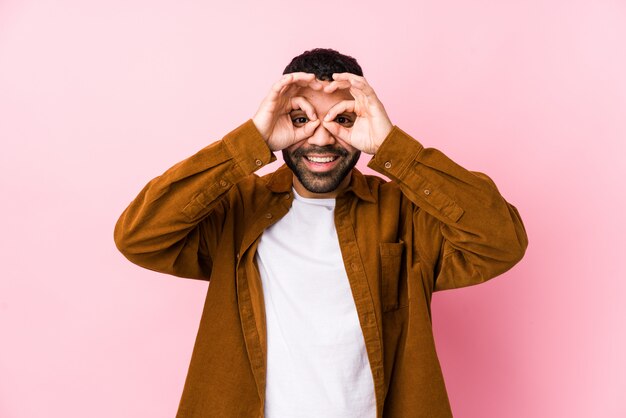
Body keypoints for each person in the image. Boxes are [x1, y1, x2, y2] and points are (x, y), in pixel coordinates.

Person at [114, 48, 528, 418]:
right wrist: (250, 141)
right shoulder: (237, 210)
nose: (322, 137)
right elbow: (139, 235)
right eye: (301, 119)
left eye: (343, 119)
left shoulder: (404, 214)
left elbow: (501, 241)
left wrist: (392, 147)